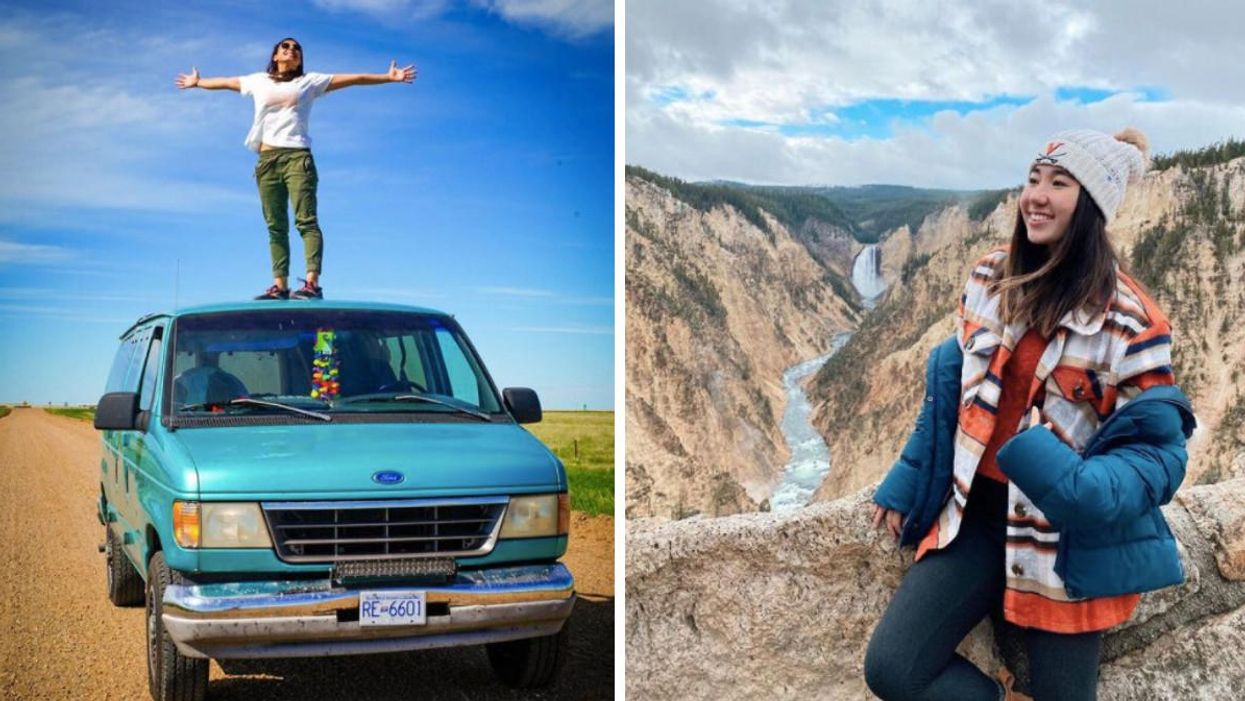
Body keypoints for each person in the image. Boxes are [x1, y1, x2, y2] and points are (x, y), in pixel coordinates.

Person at [863, 128, 1196, 701]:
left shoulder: (1133, 323)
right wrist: (909, 479)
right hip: (977, 518)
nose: (1036, 196)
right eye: (1033, 179)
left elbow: (1158, 453)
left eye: (1059, 183)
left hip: (1063, 541)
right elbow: (952, 388)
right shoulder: (991, 280)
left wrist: (1080, 484)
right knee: (893, 667)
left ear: (1091, 204)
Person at [175, 38, 416, 300]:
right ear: (276, 55)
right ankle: (280, 286)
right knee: (275, 226)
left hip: (297, 158)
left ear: (300, 59)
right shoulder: (258, 81)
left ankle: (312, 284)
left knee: (306, 221)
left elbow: (355, 78)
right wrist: (198, 82)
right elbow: (225, 82)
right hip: (266, 162)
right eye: (286, 47)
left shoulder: (309, 82)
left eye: (297, 49)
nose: (292, 50)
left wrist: (387, 77)